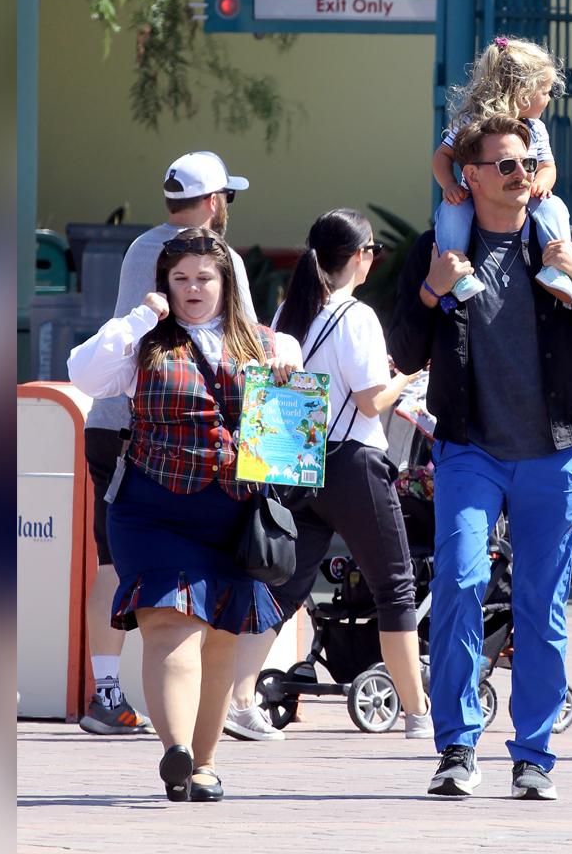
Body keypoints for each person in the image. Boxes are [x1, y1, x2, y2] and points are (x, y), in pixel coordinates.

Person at [389, 115, 572, 800]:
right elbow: (403, 353)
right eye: (506, 166)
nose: (522, 176)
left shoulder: (565, 241)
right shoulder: (439, 246)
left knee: (540, 606)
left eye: (527, 164)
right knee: (459, 583)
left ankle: (535, 755)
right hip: (469, 448)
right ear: (470, 176)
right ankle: (458, 747)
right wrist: (433, 290)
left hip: (554, 452)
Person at [67, 226, 303, 803]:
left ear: (226, 283)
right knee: (168, 624)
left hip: (232, 512)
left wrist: (288, 376)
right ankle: (175, 750)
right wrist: (137, 319)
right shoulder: (143, 342)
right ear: (163, 285)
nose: (193, 288)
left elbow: (289, 444)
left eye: (204, 277)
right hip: (152, 508)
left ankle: (202, 763)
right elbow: (85, 374)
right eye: (180, 279)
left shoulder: (265, 344)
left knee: (222, 636)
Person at [221, 208, 432, 739]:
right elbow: (368, 401)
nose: (373, 261)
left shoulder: (292, 311)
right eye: (371, 252)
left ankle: (240, 701)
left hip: (298, 462)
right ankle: (416, 712)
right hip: (353, 464)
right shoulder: (355, 316)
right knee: (395, 587)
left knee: (285, 588)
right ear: (358, 256)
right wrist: (406, 372)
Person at [78, 150, 257, 736]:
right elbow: (248, 341)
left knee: (112, 561)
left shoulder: (140, 249)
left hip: (114, 427)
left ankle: (107, 686)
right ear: (213, 203)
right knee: (178, 601)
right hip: (169, 435)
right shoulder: (217, 257)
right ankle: (202, 718)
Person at [432, 35, 572, 304]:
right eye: (545, 92)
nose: (548, 99)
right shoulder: (471, 122)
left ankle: (556, 267)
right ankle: (457, 272)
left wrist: (542, 183)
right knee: (452, 213)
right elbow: (442, 156)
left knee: (553, 206)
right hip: (473, 199)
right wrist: (450, 185)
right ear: (523, 92)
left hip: (523, 201)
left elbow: (547, 165)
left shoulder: (536, 129)